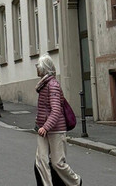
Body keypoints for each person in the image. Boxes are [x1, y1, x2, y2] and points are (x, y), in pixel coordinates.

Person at [34, 54, 82, 186]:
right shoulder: (43, 85)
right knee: (41, 161)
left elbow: (56, 111)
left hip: (55, 130)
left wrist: (46, 127)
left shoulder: (53, 85)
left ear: (44, 68)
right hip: (43, 129)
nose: (36, 68)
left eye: (38, 66)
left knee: (57, 163)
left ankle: (76, 181)